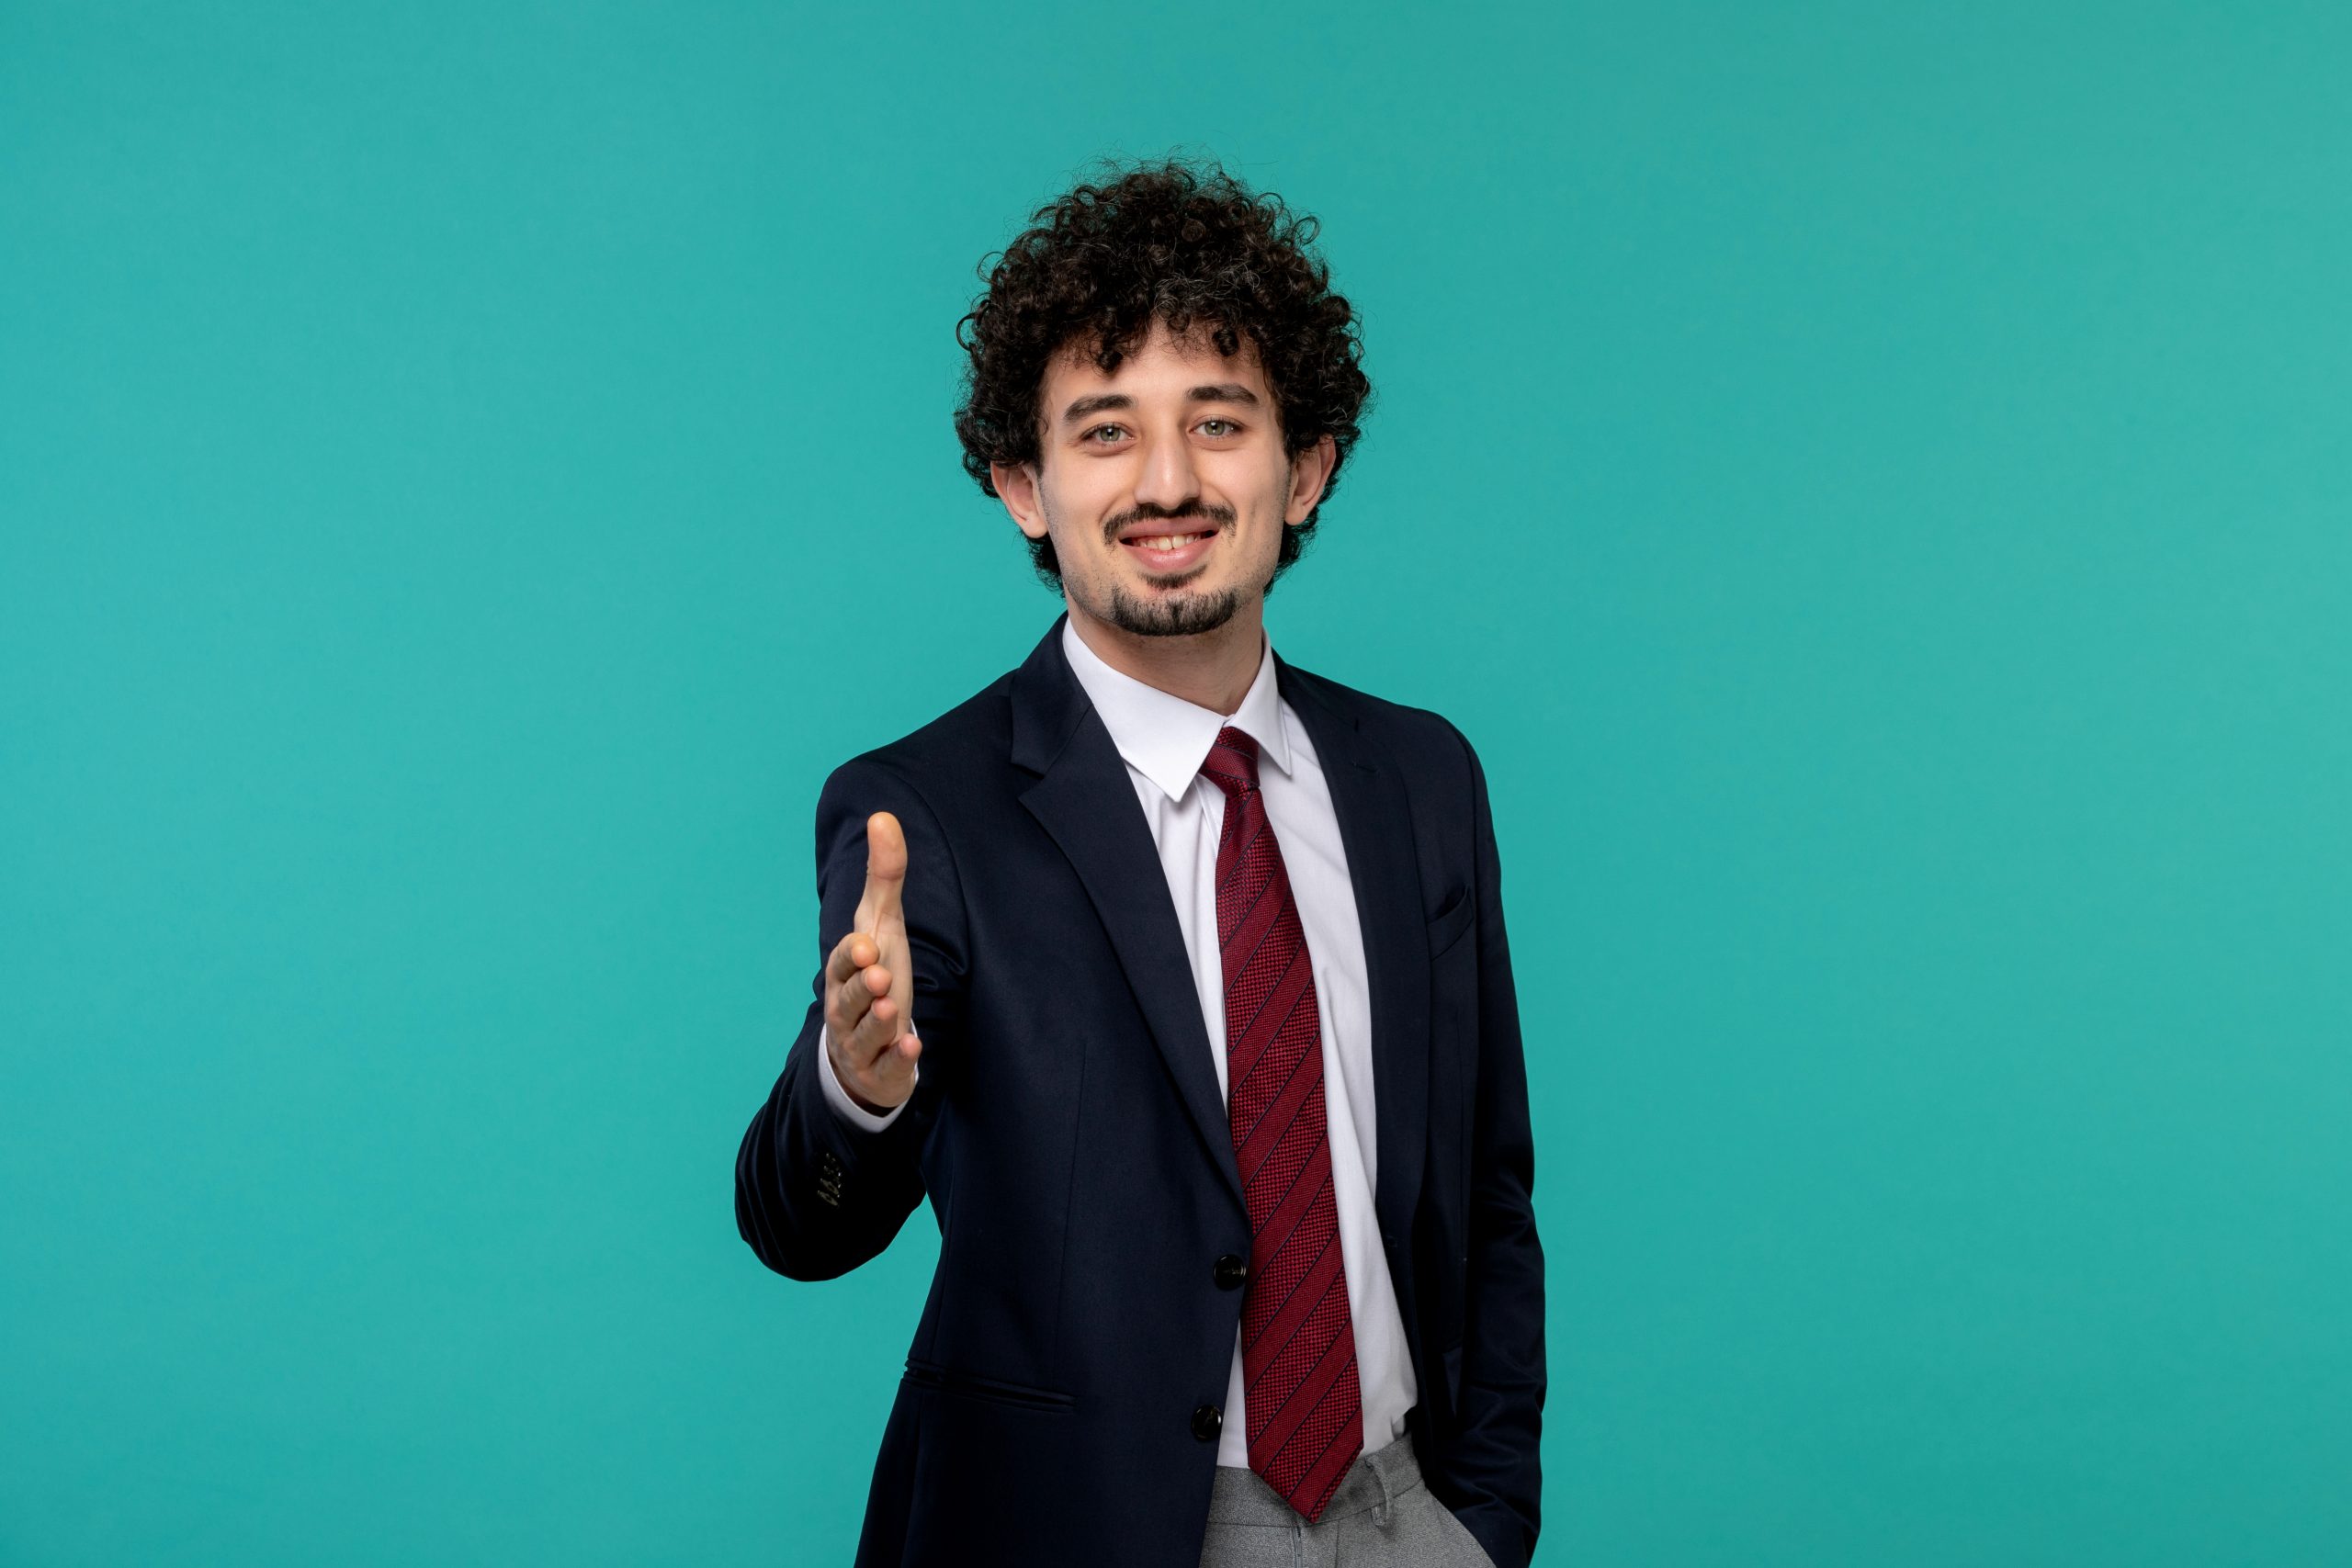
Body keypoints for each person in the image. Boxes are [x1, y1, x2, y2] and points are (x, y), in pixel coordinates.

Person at [735, 157, 1544, 1568]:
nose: (1167, 483)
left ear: (1304, 468)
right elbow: (797, 1226)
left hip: (1397, 1508)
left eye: (1218, 423)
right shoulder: (925, 810)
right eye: (1104, 433)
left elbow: (1486, 1191)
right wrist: (856, 1093)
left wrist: (1482, 1517)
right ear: (1022, 489)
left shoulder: (1422, 779)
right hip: (1083, 1528)